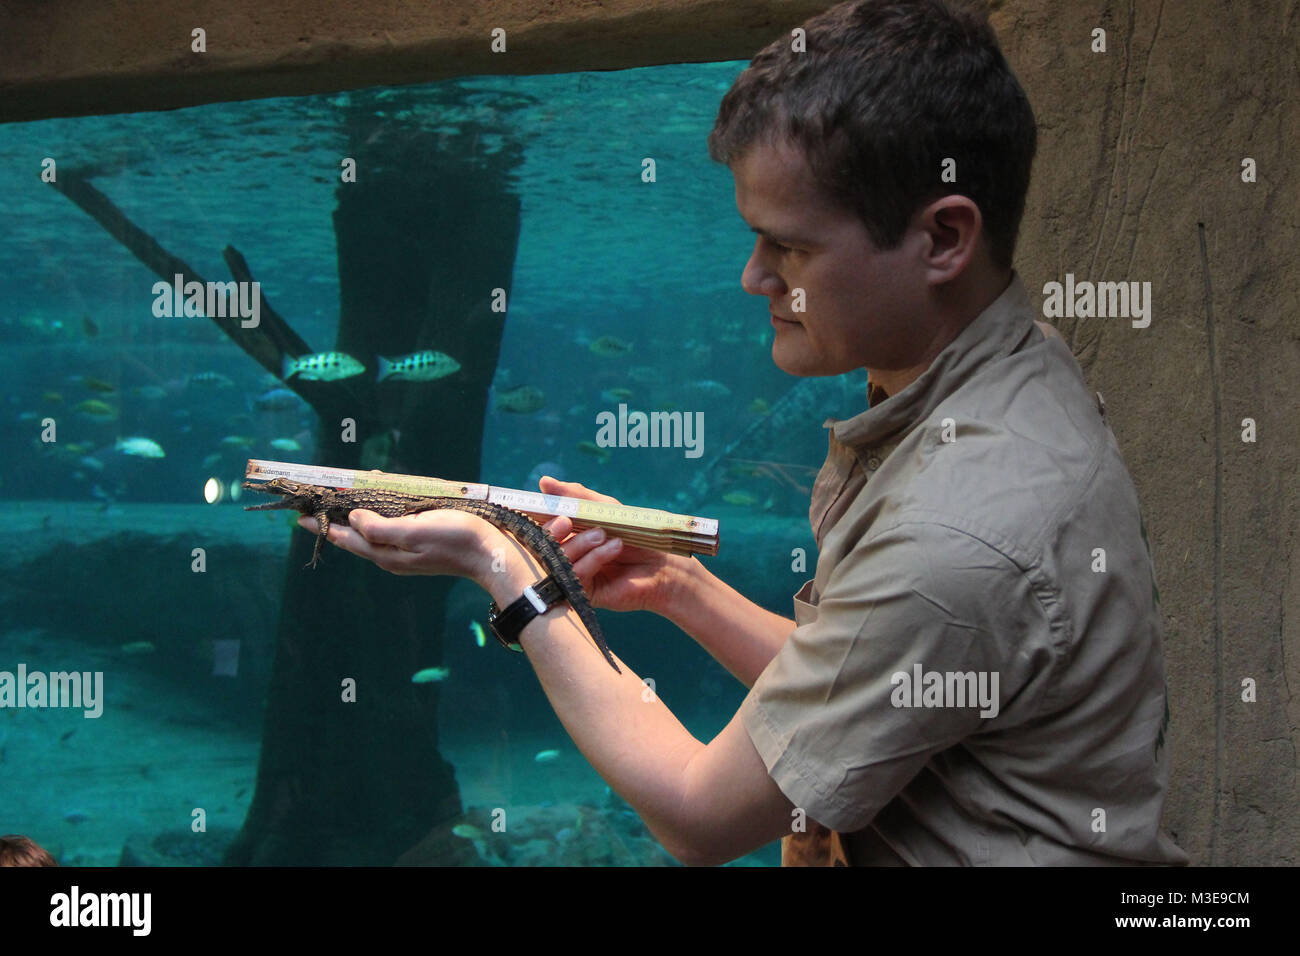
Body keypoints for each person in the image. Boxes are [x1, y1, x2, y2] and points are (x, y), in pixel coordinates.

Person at [312, 0, 1187, 866]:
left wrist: (505, 568)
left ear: (943, 238)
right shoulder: (1004, 376)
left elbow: (701, 815)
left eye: (788, 247)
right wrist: (677, 587)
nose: (750, 276)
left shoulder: (960, 530)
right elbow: (871, 682)